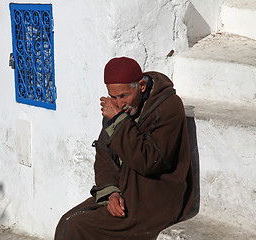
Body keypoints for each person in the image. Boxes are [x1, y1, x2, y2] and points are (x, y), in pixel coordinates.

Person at [54, 57, 194, 240]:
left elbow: (149, 161)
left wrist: (118, 121)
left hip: (156, 199)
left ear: (141, 87)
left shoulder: (168, 107)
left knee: (79, 227)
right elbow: (105, 154)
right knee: (68, 221)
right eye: (112, 96)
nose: (118, 103)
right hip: (125, 192)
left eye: (123, 96)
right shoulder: (118, 112)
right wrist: (111, 193)